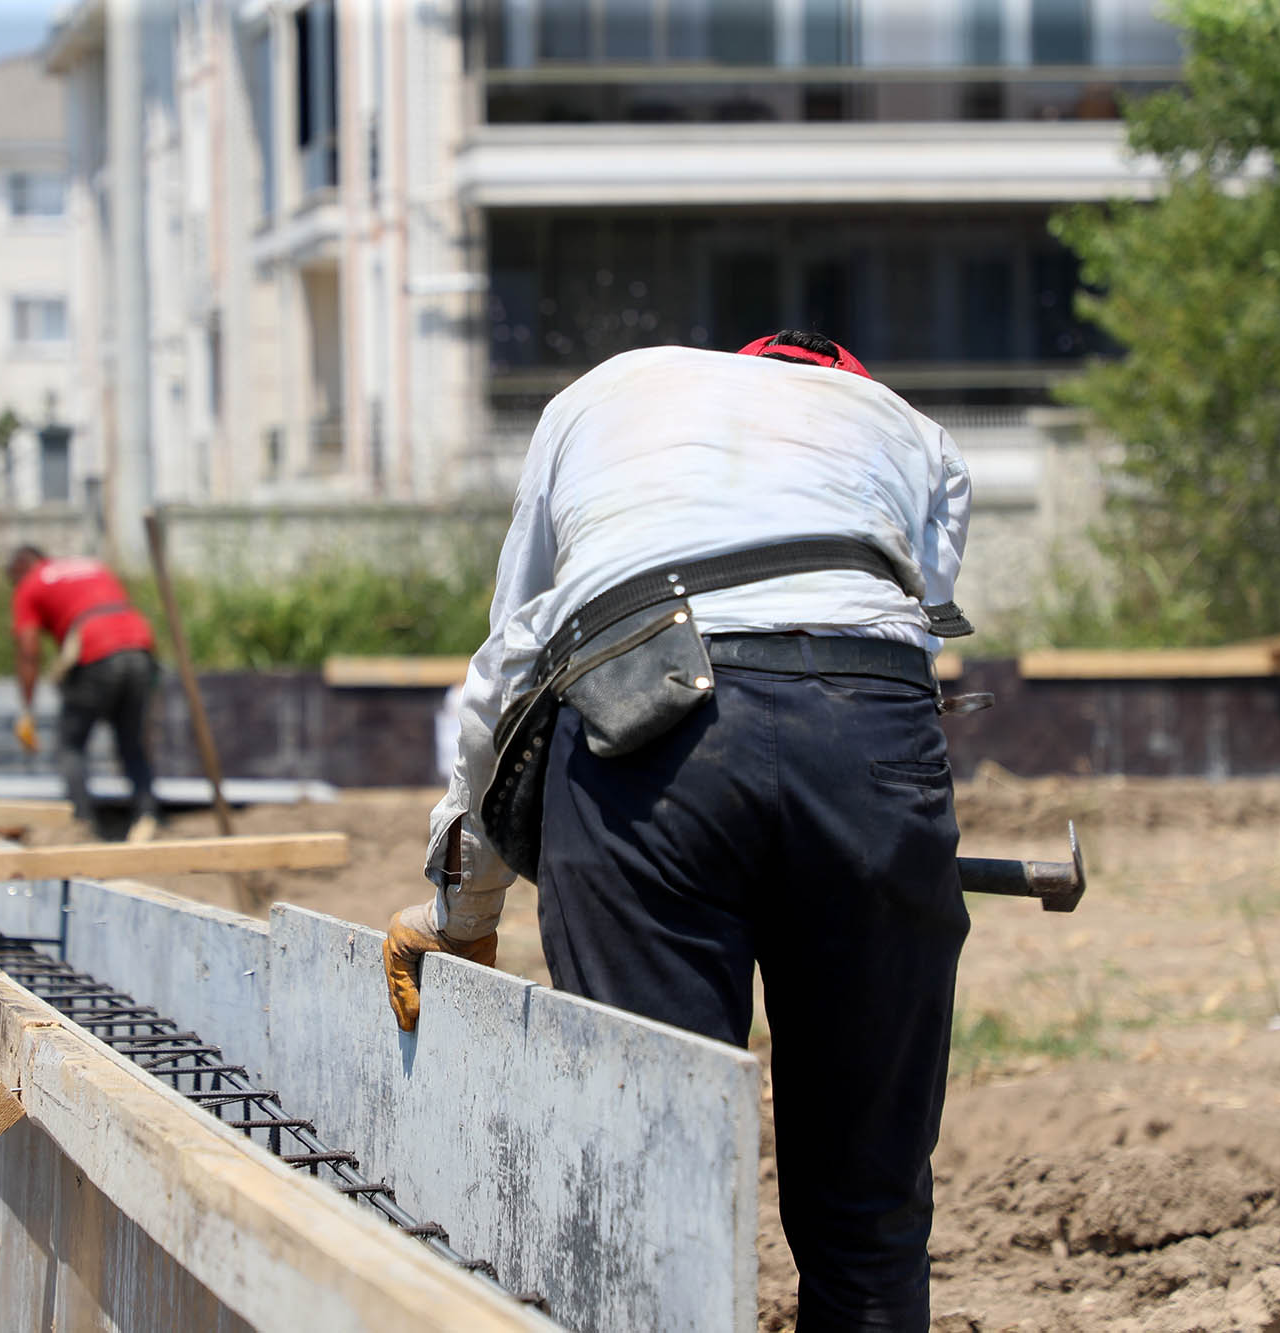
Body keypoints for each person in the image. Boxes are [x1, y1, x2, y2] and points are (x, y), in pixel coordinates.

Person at [382, 331, 974, 1332]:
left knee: (647, 1190)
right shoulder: (916, 433)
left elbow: (514, 659)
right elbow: (906, 635)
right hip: (866, 734)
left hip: (642, 738)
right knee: (868, 1214)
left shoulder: (598, 394)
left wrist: (463, 903)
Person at [6, 545, 160, 841]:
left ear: (20, 568)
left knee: (70, 746)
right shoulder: (91, 566)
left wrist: (27, 709)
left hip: (95, 651)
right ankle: (148, 817)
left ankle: (82, 826)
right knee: (132, 743)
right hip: (140, 648)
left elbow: (28, 650)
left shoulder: (30, 583)